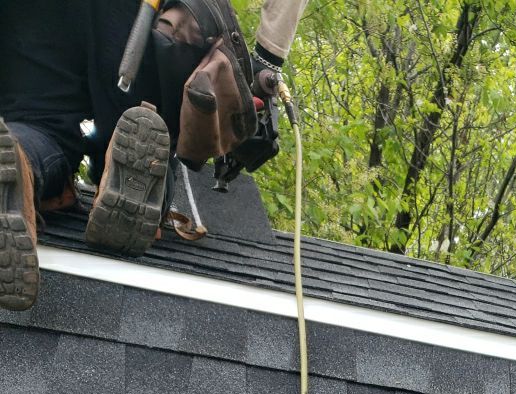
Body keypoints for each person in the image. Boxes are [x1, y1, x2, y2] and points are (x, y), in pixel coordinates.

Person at [0, 0, 307, 311]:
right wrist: (266, 58)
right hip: (138, 15)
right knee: (137, 122)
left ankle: (24, 163)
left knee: (38, 122)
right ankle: (138, 185)